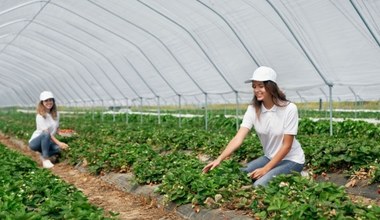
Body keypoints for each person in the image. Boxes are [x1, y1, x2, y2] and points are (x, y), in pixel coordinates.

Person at [202, 66, 305, 187]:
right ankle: (276, 175)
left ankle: (292, 178)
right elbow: (238, 138)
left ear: (271, 87)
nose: (257, 90)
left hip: (292, 159)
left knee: (259, 185)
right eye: (254, 86)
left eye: (261, 86)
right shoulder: (253, 109)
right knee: (240, 175)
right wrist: (219, 159)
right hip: (269, 157)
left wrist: (265, 169)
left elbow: (287, 146)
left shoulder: (289, 108)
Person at [29, 91, 69, 168]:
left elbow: (57, 130)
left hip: (47, 142)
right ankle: (45, 159)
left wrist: (67, 133)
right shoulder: (40, 116)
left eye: (50, 100)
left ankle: (43, 155)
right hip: (36, 142)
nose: (49, 102)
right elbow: (47, 133)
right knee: (46, 134)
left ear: (53, 101)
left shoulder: (56, 114)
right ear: (42, 103)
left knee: (60, 149)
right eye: (46, 101)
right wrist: (59, 142)